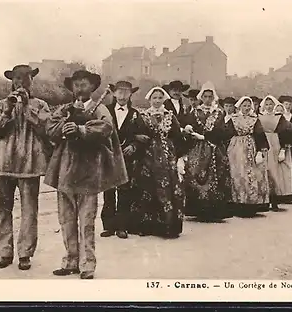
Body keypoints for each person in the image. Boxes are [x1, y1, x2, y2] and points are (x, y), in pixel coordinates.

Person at [45, 70, 128, 279]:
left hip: (89, 173)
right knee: (66, 219)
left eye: (84, 84)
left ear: (92, 87)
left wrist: (81, 129)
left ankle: (87, 264)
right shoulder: (65, 109)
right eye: (76, 85)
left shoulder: (100, 109)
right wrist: (66, 125)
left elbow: (106, 127)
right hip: (65, 172)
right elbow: (50, 129)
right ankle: (70, 260)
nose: (79, 88)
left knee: (87, 221)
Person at [0, 65, 51, 271]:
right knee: (2, 211)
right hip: (3, 164)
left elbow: (46, 131)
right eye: (17, 79)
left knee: (29, 212)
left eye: (26, 79)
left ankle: (25, 254)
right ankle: (5, 253)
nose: (21, 83)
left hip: (29, 165)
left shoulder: (41, 105)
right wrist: (8, 110)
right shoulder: (0, 104)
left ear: (32, 81)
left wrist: (26, 109)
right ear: (12, 81)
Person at [130, 86, 186, 238]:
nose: (157, 100)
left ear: (164, 100)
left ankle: (167, 225)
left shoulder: (170, 116)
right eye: (154, 98)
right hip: (148, 155)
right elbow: (136, 133)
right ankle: (147, 225)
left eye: (160, 98)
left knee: (167, 187)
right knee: (148, 186)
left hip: (167, 157)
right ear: (149, 99)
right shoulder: (143, 115)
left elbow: (177, 136)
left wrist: (176, 156)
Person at [100, 81, 149, 239]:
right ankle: (108, 226)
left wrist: (134, 146)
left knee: (124, 190)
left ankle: (122, 226)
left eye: (126, 93)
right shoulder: (104, 110)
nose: (122, 96)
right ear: (113, 94)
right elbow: (96, 129)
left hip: (126, 157)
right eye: (119, 92)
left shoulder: (135, 114)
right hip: (107, 155)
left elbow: (143, 135)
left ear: (130, 95)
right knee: (108, 190)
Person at [182, 82, 233, 221]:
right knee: (196, 175)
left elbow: (222, 131)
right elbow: (187, 125)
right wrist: (188, 128)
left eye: (210, 97)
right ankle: (198, 209)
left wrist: (206, 137)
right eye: (205, 96)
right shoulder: (195, 112)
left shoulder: (219, 113)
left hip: (214, 147)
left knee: (216, 175)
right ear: (201, 97)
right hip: (197, 148)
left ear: (214, 98)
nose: (208, 99)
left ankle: (214, 210)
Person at [225, 96, 270, 216]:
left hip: (250, 147)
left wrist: (260, 151)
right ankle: (237, 203)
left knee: (250, 174)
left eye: (248, 106)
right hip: (235, 148)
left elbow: (260, 134)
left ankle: (250, 204)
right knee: (236, 174)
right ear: (239, 107)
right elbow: (226, 133)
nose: (246, 108)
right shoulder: (233, 119)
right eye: (244, 106)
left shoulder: (254, 119)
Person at [258, 96, 292, 211]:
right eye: (267, 104)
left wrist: (283, 149)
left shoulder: (279, 118)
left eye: (271, 104)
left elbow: (286, 133)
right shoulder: (259, 117)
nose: (269, 107)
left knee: (274, 172)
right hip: (263, 144)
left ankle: (274, 201)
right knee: (262, 171)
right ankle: (263, 200)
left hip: (274, 144)